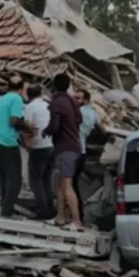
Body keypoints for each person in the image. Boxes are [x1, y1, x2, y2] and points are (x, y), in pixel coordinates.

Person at [43, 73, 84, 230]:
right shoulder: (72, 101)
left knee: (66, 185)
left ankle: (77, 221)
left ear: (54, 86)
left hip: (65, 148)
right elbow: (79, 120)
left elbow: (55, 125)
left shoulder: (57, 102)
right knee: (60, 185)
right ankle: (60, 217)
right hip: (74, 146)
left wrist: (46, 131)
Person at [0, 77, 28, 217]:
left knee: (4, 177)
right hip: (8, 142)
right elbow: (14, 120)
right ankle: (6, 211)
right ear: (22, 87)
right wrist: (28, 127)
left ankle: (5, 208)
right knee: (15, 179)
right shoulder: (16, 99)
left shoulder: (2, 99)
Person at [22, 84, 55, 221]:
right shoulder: (48, 105)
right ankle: (50, 209)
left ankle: (42, 211)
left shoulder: (30, 108)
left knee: (35, 180)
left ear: (28, 95)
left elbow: (28, 126)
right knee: (47, 179)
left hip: (39, 146)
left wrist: (27, 143)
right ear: (41, 94)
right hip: (52, 145)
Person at [73, 89, 103, 206]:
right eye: (74, 97)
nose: (75, 100)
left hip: (73, 152)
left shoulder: (76, 112)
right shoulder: (93, 114)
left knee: (68, 185)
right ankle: (78, 212)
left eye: (78, 98)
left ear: (86, 100)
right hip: (82, 152)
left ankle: (74, 213)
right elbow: (103, 130)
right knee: (74, 184)